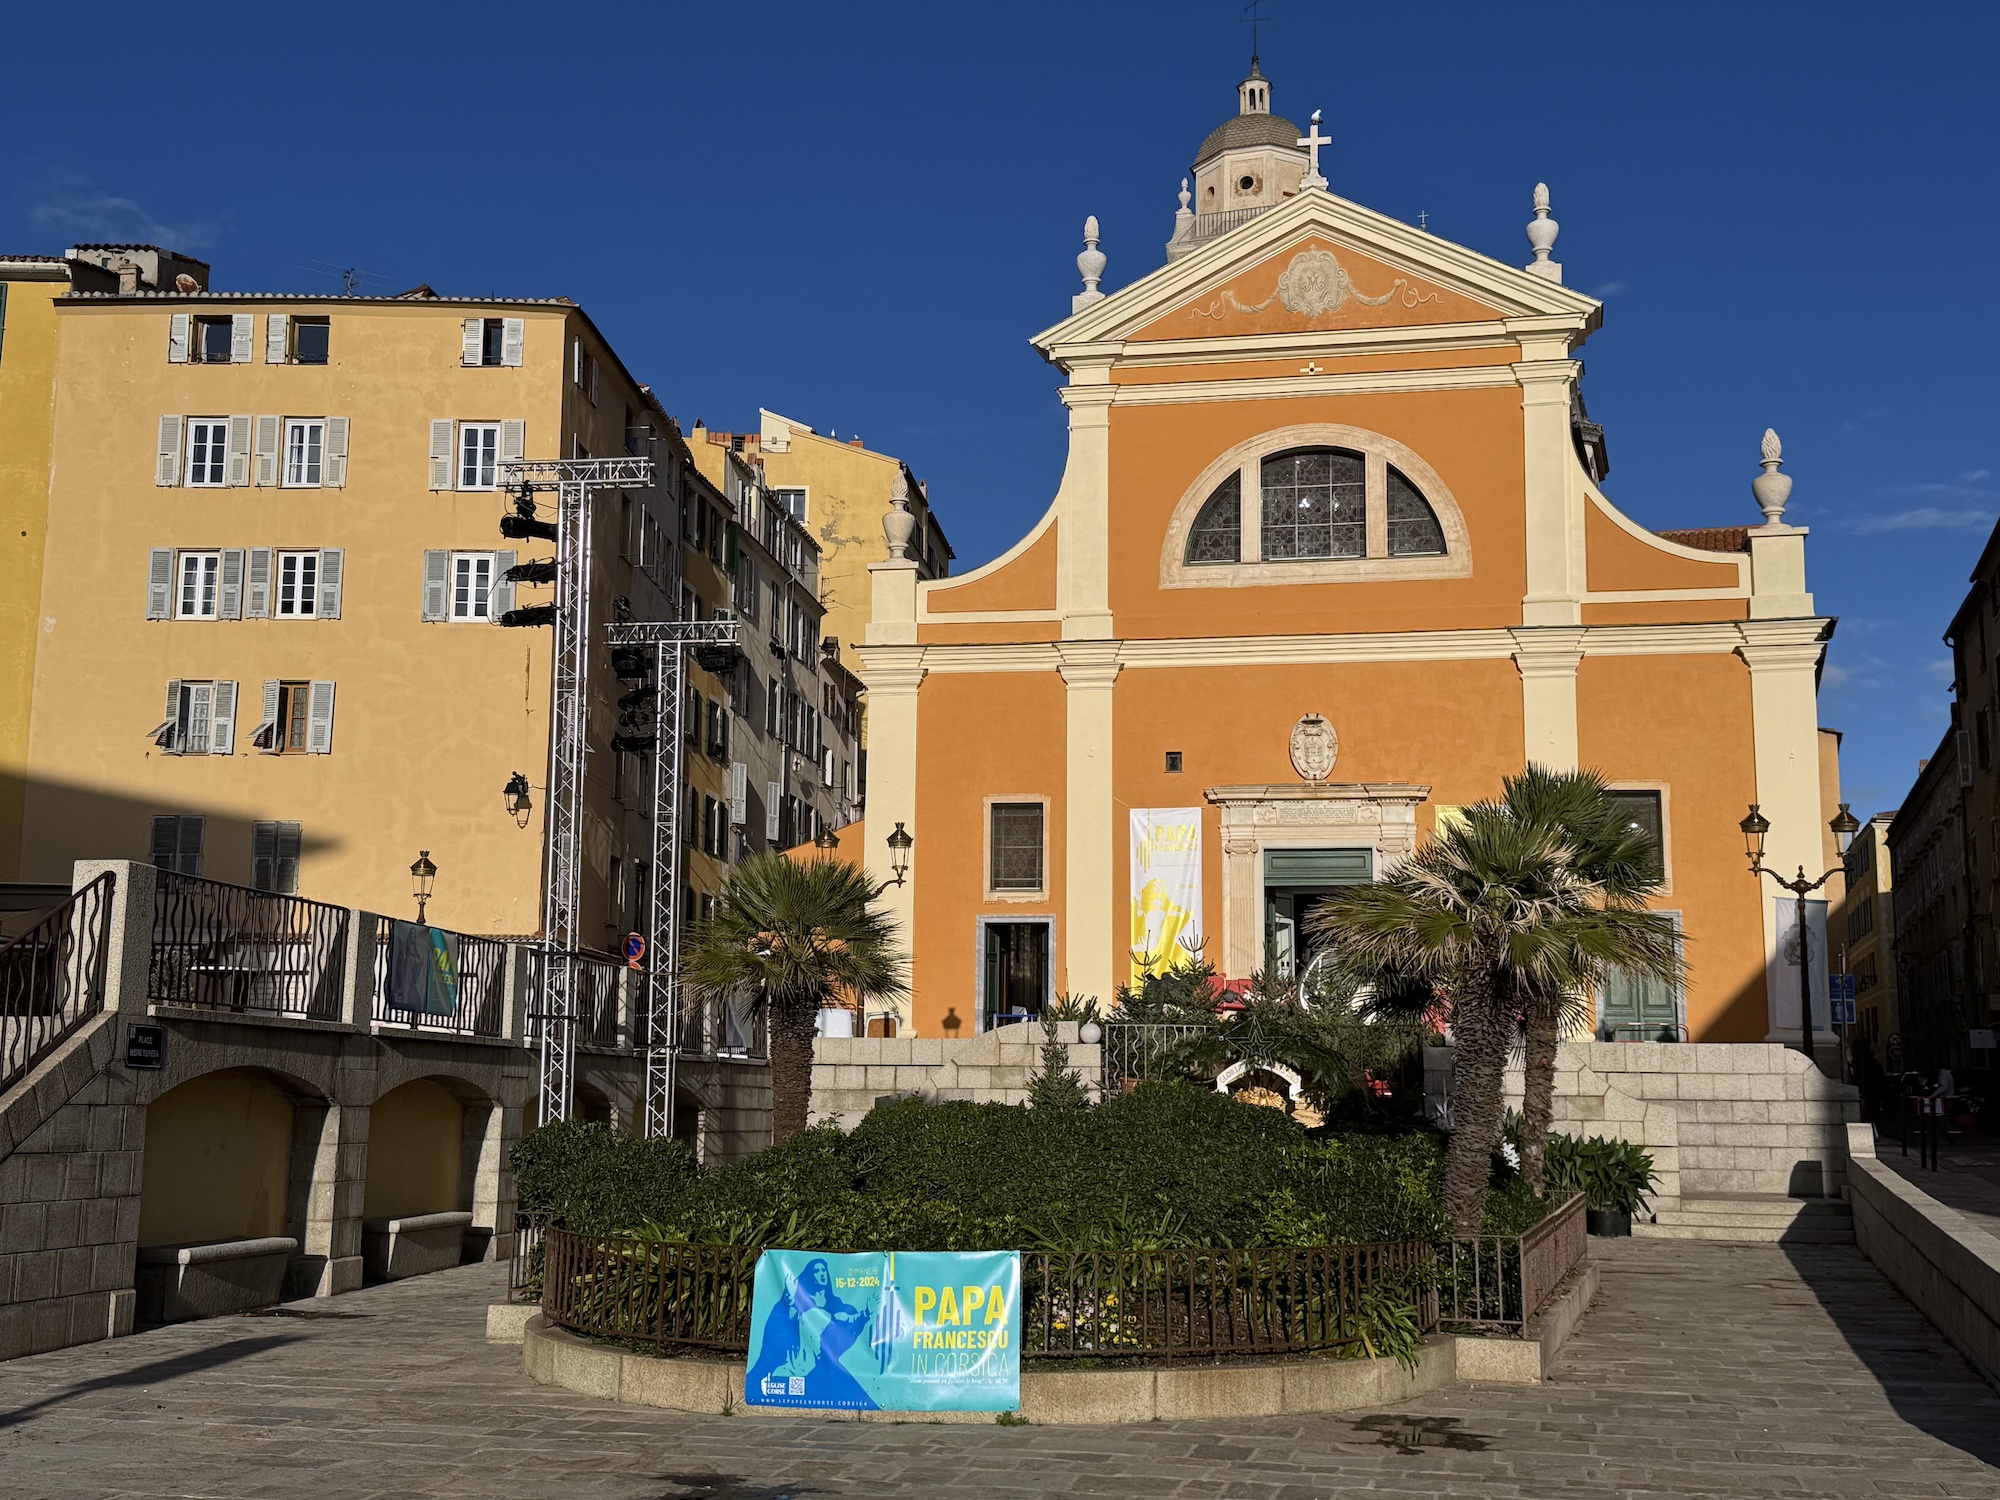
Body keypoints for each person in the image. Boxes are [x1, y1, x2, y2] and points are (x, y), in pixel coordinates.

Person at [747, 1257, 876, 1410]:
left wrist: (866, 1313)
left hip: (826, 1359)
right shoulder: (801, 1300)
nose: (821, 1274)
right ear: (810, 1275)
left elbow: (845, 1319)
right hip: (801, 1358)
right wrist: (790, 1299)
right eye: (817, 1271)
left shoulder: (833, 1301)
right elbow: (785, 1318)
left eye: (823, 1270)